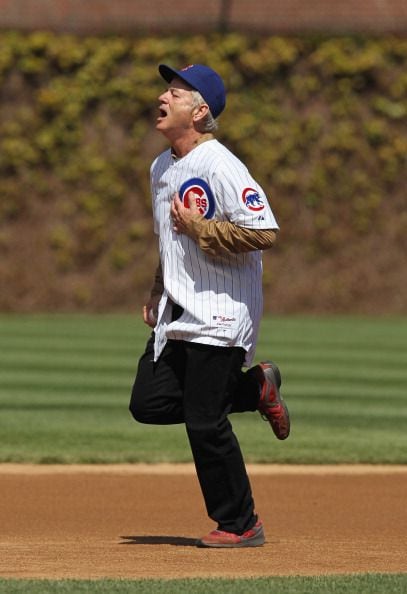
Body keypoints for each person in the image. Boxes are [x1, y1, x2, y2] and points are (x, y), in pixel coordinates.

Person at [129, 63, 290, 548]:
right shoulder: (161, 167)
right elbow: (167, 242)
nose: (163, 96)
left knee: (203, 420)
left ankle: (241, 524)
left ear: (199, 112)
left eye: (175, 92)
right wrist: (159, 288)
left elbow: (264, 231)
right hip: (179, 309)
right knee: (149, 403)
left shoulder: (222, 165)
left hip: (221, 308)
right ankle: (256, 388)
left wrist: (202, 229)